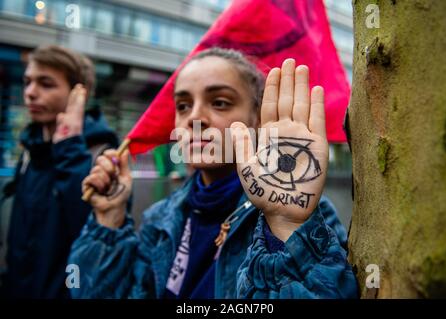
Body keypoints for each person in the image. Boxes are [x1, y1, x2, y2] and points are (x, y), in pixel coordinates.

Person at [69, 48, 358, 298]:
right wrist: (108, 219)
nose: (195, 117)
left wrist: (285, 227)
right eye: (183, 106)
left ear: (256, 118)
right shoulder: (159, 219)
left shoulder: (306, 213)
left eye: (220, 102)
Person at [1, 45, 118, 298]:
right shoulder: (31, 152)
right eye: (28, 82)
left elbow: (95, 238)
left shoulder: (102, 156)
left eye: (46, 84)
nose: (31, 93)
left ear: (79, 94)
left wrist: (68, 147)